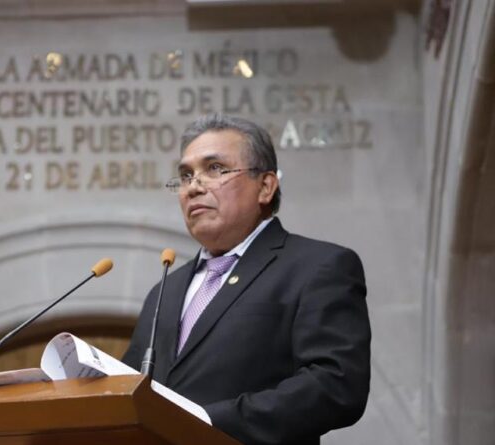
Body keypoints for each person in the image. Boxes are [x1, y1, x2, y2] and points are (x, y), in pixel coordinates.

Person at [122, 114, 371, 445]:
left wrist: (208, 422)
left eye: (215, 168)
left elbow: (336, 384)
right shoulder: (165, 291)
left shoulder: (317, 267)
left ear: (265, 186)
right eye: (185, 175)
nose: (194, 187)